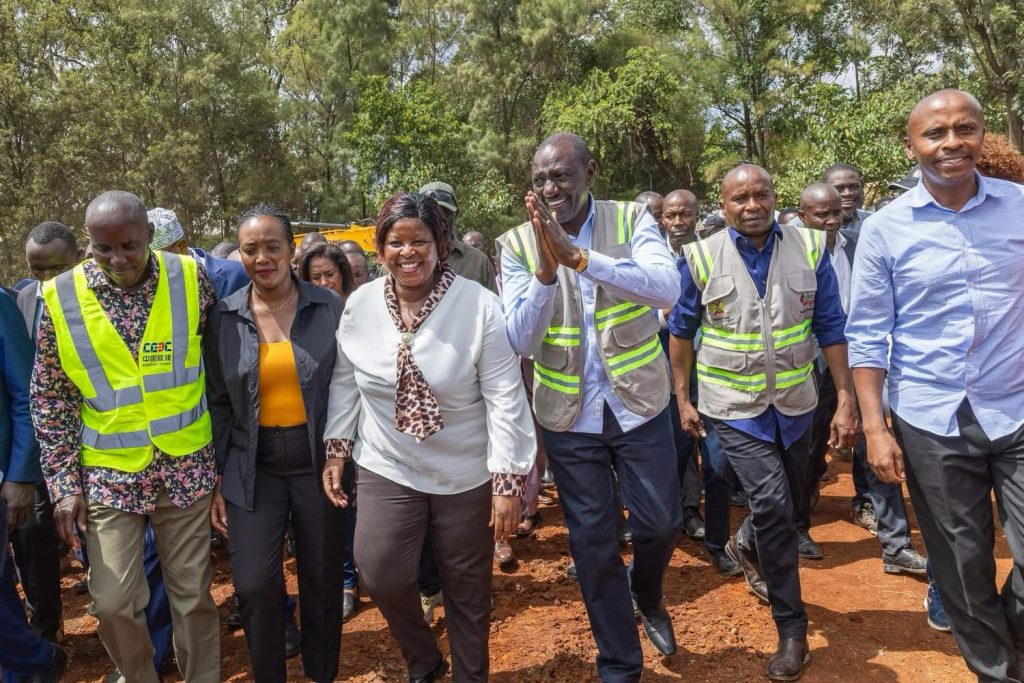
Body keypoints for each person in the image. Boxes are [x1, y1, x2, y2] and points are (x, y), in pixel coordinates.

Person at [848, 89, 1024, 682]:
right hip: (931, 417)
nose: (952, 142)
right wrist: (874, 427)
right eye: (935, 133)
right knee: (961, 563)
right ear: (912, 145)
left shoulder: (1020, 207)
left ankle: (1008, 638)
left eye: (964, 128)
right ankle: (998, 672)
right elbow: (867, 334)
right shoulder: (884, 230)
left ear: (981, 134)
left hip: (1017, 405)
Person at [322, 192, 534, 682]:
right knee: (379, 571)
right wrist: (338, 448)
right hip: (388, 462)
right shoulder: (360, 304)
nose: (408, 252)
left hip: (466, 470)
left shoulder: (479, 306)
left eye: (420, 240)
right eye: (395, 242)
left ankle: (470, 676)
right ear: (380, 249)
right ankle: (423, 659)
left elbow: (505, 396)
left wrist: (506, 482)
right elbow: (345, 380)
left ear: (441, 244)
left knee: (466, 586)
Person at [499, 132, 682, 680]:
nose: (551, 187)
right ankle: (619, 665)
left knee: (660, 525)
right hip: (567, 417)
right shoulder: (515, 243)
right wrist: (547, 269)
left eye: (562, 175)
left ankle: (645, 593)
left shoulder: (631, 219)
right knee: (593, 544)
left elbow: (665, 289)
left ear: (591, 172)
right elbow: (518, 340)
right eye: (540, 179)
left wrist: (579, 257)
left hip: (641, 405)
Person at [669, 164, 858, 681]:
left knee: (793, 501)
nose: (752, 206)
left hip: (797, 405)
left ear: (776, 198)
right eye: (739, 198)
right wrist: (682, 398)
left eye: (761, 195)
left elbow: (831, 326)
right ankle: (791, 628)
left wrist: (845, 397)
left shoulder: (811, 247)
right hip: (733, 407)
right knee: (774, 504)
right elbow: (682, 333)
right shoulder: (701, 256)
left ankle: (749, 541)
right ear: (724, 205)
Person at [30, 190, 220, 683]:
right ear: (88, 243)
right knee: (113, 603)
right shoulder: (60, 297)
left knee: (193, 596)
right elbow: (51, 396)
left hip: (186, 464)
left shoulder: (190, 278)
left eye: (129, 246)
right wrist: (64, 484)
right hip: (109, 471)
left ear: (150, 237)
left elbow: (218, 363)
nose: (118, 259)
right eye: (104, 248)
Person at [205, 205, 345, 683]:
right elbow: (219, 401)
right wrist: (219, 472)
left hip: (319, 465)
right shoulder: (223, 316)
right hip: (252, 466)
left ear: (291, 250)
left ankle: (321, 672)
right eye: (250, 249)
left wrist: (341, 452)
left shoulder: (329, 308)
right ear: (240, 255)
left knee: (322, 580)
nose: (262, 257)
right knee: (254, 584)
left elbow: (350, 386)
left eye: (272, 247)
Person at [795, 183, 926, 572]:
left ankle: (894, 543)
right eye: (823, 214)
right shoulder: (791, 250)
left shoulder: (860, 242)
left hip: (862, 360)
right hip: (813, 365)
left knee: (876, 442)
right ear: (803, 216)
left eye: (838, 212)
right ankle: (798, 525)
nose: (833, 220)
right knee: (808, 447)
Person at [661, 189, 739, 575]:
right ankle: (666, 525)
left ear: (697, 216)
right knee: (670, 456)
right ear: (662, 218)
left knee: (717, 464)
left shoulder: (712, 253)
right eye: (671, 215)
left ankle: (717, 540)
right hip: (661, 373)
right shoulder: (650, 254)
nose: (678, 222)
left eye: (685, 214)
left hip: (710, 372)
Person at [10, 221, 78, 645]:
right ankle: (47, 628)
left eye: (56, 269)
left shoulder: (98, 297)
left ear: (77, 259)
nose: (47, 280)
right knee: (35, 533)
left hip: (92, 443)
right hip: (38, 444)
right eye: (38, 270)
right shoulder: (21, 300)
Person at [149, 207, 249, 299]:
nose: (152, 267)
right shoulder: (147, 288)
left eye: (156, 258)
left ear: (181, 247)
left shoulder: (236, 274)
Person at [419, 181, 498, 294]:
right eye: (430, 213)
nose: (438, 220)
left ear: (455, 216)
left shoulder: (478, 262)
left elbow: (493, 309)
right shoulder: (401, 262)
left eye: (444, 213)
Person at [822, 163, 871, 233]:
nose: (848, 193)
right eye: (839, 189)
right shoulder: (805, 226)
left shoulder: (873, 221)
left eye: (854, 187)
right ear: (823, 191)